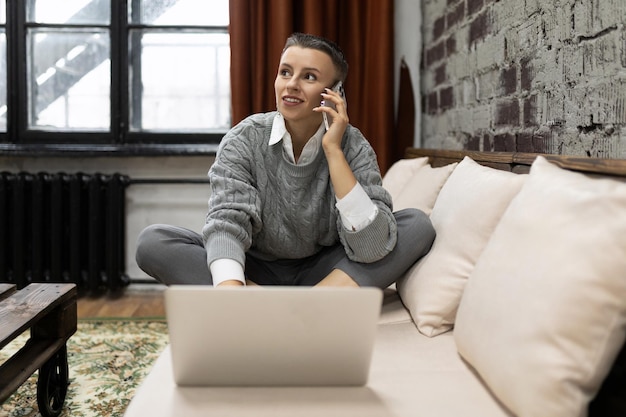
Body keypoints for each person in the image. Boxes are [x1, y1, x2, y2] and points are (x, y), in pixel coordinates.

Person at [135, 32, 435, 288]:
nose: (291, 84)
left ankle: (309, 303)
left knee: (416, 226)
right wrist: (231, 290)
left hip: (325, 271)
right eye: (285, 72)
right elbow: (227, 221)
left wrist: (333, 151)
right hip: (255, 269)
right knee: (154, 242)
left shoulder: (353, 147)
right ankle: (264, 304)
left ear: (334, 93)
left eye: (309, 77)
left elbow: (371, 248)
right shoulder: (244, 138)